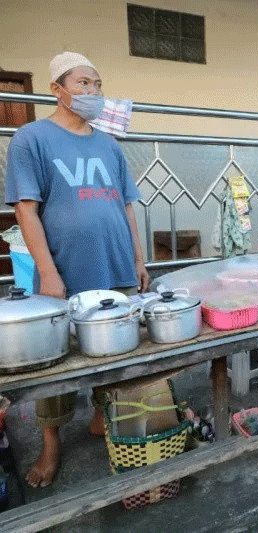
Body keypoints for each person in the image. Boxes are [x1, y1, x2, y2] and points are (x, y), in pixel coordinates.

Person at [5, 52, 148, 488]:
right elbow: (26, 211)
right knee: (57, 362)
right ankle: (51, 444)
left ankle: (103, 418)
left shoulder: (108, 143)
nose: (93, 92)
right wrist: (47, 273)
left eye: (98, 84)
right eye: (84, 82)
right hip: (65, 270)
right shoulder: (31, 138)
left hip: (117, 265)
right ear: (57, 88)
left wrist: (140, 260)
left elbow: (126, 206)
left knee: (116, 351)